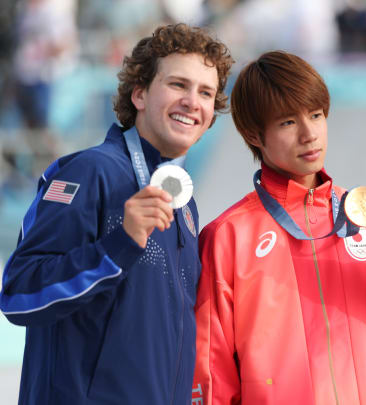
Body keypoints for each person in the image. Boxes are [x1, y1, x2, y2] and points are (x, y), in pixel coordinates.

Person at [0, 23, 233, 404]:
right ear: (139, 94)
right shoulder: (90, 172)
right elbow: (19, 294)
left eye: (205, 92)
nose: (194, 101)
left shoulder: (182, 202)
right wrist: (117, 246)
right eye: (178, 85)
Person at [191, 50, 366, 405]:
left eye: (316, 115)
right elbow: (211, 372)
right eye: (287, 122)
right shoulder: (227, 237)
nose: (309, 134)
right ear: (254, 134)